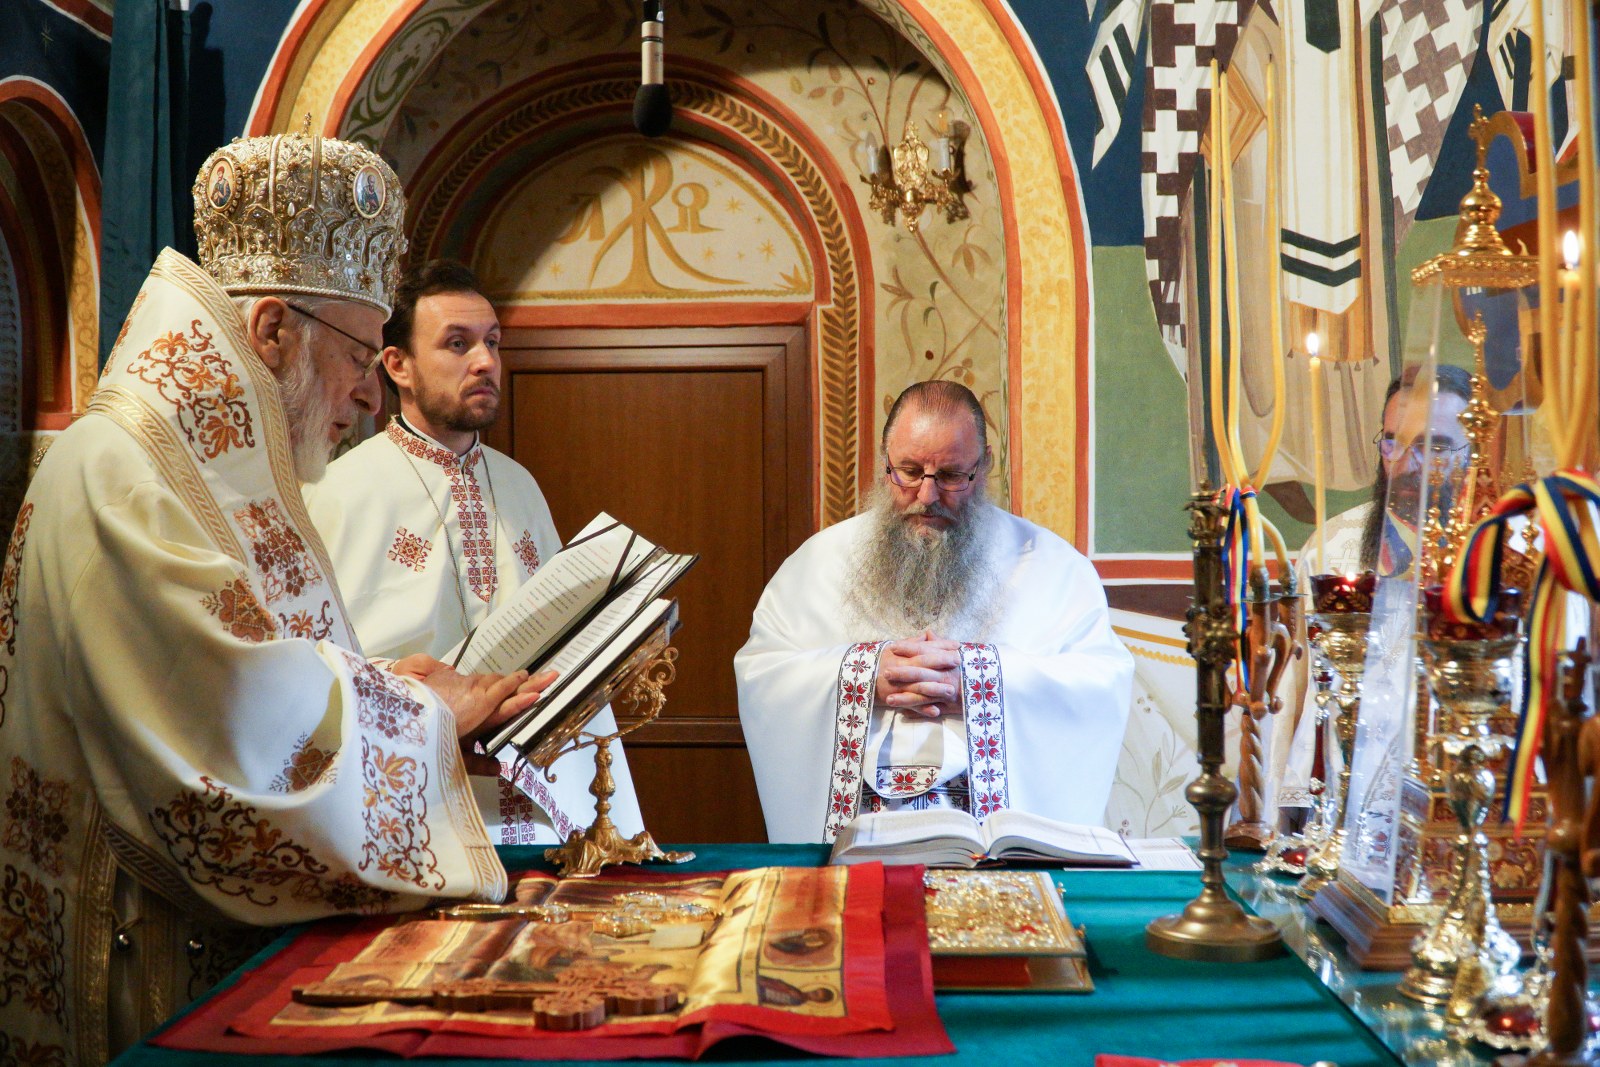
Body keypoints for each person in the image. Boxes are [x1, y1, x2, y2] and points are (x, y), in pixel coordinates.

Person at [0, 130, 554, 1063]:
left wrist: (382, 684)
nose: (369, 397)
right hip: (136, 962)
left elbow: (259, 664)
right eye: (359, 354)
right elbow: (226, 732)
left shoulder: (209, 469)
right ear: (270, 330)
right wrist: (423, 715)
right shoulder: (126, 473)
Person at [304, 260, 643, 846]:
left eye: (493, 342)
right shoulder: (339, 491)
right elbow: (315, 660)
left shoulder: (519, 485)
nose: (485, 361)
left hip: (539, 788)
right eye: (458, 344)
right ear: (398, 365)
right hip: (413, 798)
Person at [734, 380, 1134, 843]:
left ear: (984, 466)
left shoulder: (1054, 568)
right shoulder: (817, 564)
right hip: (857, 834)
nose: (926, 495)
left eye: (950, 475)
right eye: (909, 471)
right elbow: (763, 672)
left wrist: (979, 681)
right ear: (884, 463)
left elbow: (1101, 680)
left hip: (990, 843)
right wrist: (864, 674)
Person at [1268, 365, 1474, 821]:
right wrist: (1281, 809)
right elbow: (1296, 690)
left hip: (1463, 793)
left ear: (1474, 448)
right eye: (1393, 442)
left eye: (1435, 447)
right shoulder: (1333, 547)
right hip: (1347, 796)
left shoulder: (1506, 549)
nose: (1408, 463)